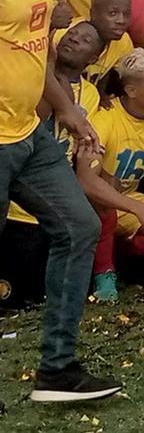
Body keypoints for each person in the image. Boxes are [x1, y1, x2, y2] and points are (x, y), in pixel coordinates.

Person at [0, 0, 122, 403]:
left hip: (29, 131)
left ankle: (57, 370)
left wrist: (66, 107)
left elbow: (33, 47)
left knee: (79, 227)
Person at [0, 21, 102, 310]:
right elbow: (41, 111)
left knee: (38, 293)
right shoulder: (30, 79)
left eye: (84, 40)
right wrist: (52, 77)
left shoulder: (92, 95)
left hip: (53, 201)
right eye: (71, 33)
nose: (73, 39)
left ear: (94, 59)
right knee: (12, 298)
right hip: (19, 210)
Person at [76, 48, 144, 303]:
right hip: (93, 204)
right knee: (104, 205)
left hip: (128, 198)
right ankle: (104, 273)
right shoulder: (105, 118)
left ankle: (119, 257)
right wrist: (138, 209)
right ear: (131, 91)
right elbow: (86, 181)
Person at [78, 0, 134, 84]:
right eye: (113, 13)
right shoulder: (69, 33)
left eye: (126, 14)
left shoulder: (124, 41)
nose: (121, 21)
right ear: (93, 13)